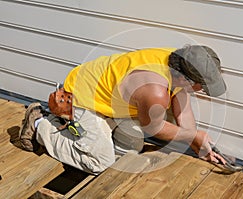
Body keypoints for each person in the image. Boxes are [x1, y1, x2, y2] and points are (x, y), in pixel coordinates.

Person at [19, 45, 227, 174]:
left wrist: (197, 143)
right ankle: (40, 125)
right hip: (80, 97)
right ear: (185, 78)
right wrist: (194, 136)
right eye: (202, 87)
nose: (202, 91)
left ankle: (95, 134)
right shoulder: (155, 90)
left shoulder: (176, 62)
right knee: (100, 161)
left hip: (109, 98)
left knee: (131, 146)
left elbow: (184, 111)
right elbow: (153, 128)